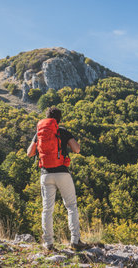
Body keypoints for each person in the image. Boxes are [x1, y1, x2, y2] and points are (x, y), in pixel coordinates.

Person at [27, 107, 90, 251]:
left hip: (45, 174)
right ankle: (75, 240)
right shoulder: (63, 131)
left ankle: (48, 243)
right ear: (59, 119)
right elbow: (77, 149)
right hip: (62, 173)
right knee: (71, 206)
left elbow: (29, 153)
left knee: (47, 209)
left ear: (47, 117)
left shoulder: (39, 133)